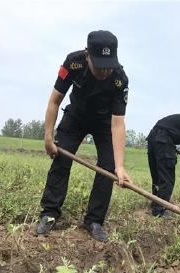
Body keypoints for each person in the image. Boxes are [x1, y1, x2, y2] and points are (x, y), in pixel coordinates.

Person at [36, 30, 131, 242]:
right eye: (99, 65)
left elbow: (118, 124)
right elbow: (54, 101)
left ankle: (94, 221)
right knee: (62, 159)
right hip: (76, 117)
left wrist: (120, 166)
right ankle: (49, 213)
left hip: (104, 123)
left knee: (108, 168)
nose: (105, 70)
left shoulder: (119, 79)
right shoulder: (73, 63)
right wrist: (48, 137)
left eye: (108, 64)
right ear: (87, 54)